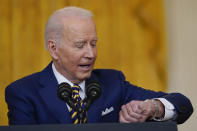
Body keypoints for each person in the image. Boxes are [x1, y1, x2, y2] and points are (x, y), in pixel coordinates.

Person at [5, 6, 193, 125]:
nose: (91, 54)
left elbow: (183, 104)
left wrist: (153, 107)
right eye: (80, 45)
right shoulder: (23, 92)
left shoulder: (113, 83)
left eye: (93, 43)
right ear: (53, 48)